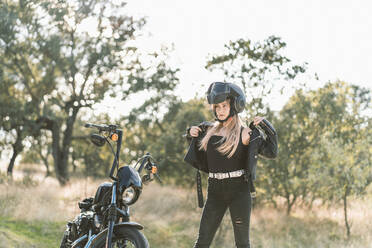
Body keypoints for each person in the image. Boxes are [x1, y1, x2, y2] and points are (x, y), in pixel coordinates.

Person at [184, 82, 278, 248]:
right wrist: (190, 133)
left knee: (242, 244)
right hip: (214, 191)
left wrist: (266, 125)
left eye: (224, 106)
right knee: (202, 242)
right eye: (217, 106)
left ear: (234, 105)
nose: (220, 110)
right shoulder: (208, 131)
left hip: (239, 192)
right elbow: (197, 150)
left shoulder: (245, 133)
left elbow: (272, 152)